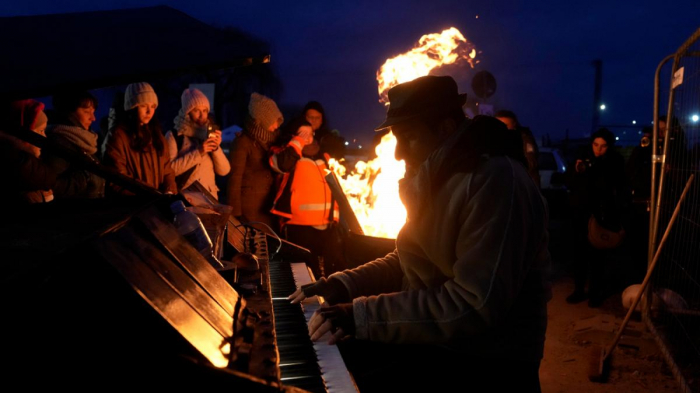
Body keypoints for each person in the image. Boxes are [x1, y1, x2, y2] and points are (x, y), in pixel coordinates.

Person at [289, 76, 551, 392]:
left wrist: (362, 315)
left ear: (445, 128)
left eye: (409, 137)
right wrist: (344, 284)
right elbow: (410, 258)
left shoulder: (496, 181)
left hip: (488, 363)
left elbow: (473, 304)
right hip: (438, 343)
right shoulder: (440, 175)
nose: (398, 153)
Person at [269, 118, 344, 278]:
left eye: (310, 134)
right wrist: (297, 142)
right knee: (303, 273)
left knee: (329, 271)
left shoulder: (324, 155)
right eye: (302, 134)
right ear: (293, 135)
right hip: (298, 226)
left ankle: (329, 302)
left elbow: (333, 186)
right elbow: (282, 165)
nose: (307, 138)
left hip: (326, 225)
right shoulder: (283, 152)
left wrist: (335, 217)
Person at [566, 128, 628, 307]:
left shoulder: (614, 161)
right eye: (595, 145)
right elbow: (569, 181)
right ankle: (578, 290)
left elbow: (615, 185)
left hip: (602, 213)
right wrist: (577, 171)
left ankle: (595, 292)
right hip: (580, 212)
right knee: (579, 253)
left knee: (598, 255)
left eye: (603, 146)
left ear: (609, 146)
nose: (598, 149)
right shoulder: (583, 156)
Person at [103, 82, 176, 195]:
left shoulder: (157, 136)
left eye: (152, 106)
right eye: (143, 105)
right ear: (132, 107)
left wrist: (169, 192)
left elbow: (167, 172)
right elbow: (117, 179)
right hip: (134, 208)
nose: (149, 111)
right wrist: (145, 197)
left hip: (156, 206)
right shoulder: (118, 136)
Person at [227, 92, 283, 232]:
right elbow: (234, 178)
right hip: (249, 208)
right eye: (273, 120)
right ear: (261, 120)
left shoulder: (274, 141)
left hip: (268, 205)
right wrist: (236, 214)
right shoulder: (242, 142)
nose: (277, 125)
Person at [164, 88, 230, 198]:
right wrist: (199, 152)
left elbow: (224, 171)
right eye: (196, 111)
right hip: (187, 199)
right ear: (187, 113)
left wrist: (216, 148)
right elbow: (170, 170)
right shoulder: (175, 135)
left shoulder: (208, 134)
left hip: (210, 200)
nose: (202, 115)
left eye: (204, 111)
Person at [43, 90, 105, 199]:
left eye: (93, 112)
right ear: (69, 113)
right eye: (87, 112)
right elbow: (51, 186)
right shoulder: (59, 143)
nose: (93, 118)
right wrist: (86, 176)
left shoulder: (82, 141)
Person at [0, 99, 56, 204]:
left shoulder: (31, 163)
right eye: (40, 131)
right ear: (24, 133)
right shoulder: (15, 164)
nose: (44, 136)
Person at [495, 109, 541, 187]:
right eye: (498, 125)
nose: (502, 128)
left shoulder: (524, 138)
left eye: (506, 125)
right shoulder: (495, 139)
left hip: (525, 185)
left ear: (514, 125)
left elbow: (531, 162)